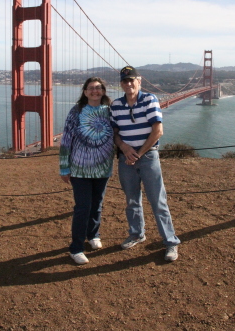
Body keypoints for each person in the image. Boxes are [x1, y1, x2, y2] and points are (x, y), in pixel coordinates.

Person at [110, 66, 180, 262]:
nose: (129, 83)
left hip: (147, 157)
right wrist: (124, 148)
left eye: (132, 80)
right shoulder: (115, 105)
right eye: (125, 81)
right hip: (126, 159)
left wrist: (138, 153)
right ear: (121, 84)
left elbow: (158, 131)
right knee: (132, 201)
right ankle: (136, 234)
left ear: (139, 81)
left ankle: (171, 242)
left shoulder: (150, 100)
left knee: (158, 202)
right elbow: (115, 133)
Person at [59, 77, 114, 265]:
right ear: (84, 92)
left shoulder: (110, 111)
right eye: (91, 88)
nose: (95, 91)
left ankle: (93, 235)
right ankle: (76, 248)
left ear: (104, 91)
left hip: (103, 168)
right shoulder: (76, 112)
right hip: (79, 170)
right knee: (83, 208)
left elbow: (122, 132)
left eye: (98, 88)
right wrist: (64, 167)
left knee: (97, 204)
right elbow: (66, 140)